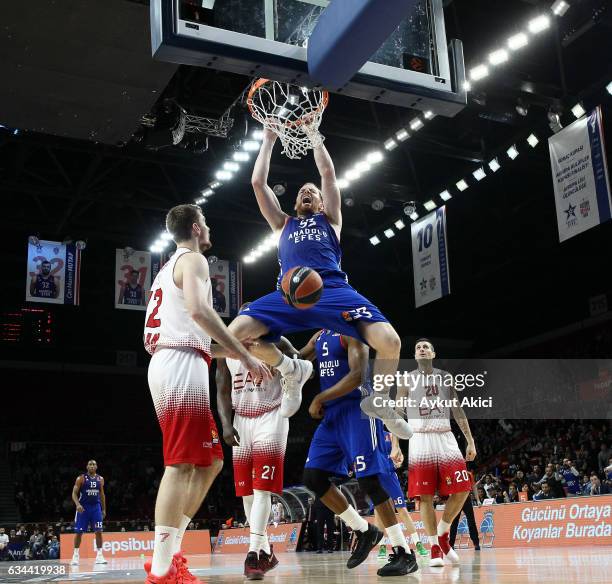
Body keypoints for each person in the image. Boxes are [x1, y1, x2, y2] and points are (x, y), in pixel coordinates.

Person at [226, 127, 411, 439]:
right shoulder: (282, 224)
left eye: (313, 191)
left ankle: (379, 401)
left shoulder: (331, 220)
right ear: (295, 203)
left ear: (324, 203)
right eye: (301, 192)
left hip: (334, 290)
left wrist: (314, 135)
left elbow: (327, 172)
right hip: (289, 294)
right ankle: (291, 370)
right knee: (232, 339)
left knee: (391, 342)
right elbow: (257, 183)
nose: (306, 192)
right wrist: (269, 139)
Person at [143, 204, 270, 584]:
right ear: (197, 229)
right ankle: (162, 569)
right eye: (207, 223)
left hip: (180, 360)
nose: (210, 227)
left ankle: (173, 550)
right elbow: (199, 313)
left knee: (211, 460)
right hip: (179, 366)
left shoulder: (168, 269)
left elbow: (192, 330)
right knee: (180, 464)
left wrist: (234, 350)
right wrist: (245, 355)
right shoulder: (194, 260)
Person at [300, 329, 418, 576]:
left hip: (358, 411)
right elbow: (297, 359)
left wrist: (319, 397)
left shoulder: (352, 331)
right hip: (332, 416)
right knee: (313, 477)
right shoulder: (319, 335)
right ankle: (364, 530)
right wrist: (268, 344)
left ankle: (404, 552)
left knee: (369, 480)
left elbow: (356, 376)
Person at [216, 330, 296, 580]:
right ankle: (265, 550)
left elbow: (298, 362)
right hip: (241, 419)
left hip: (271, 416)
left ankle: (253, 555)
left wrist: (285, 366)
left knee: (262, 489)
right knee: (247, 493)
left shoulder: (277, 341)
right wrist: (226, 425)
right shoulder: (225, 346)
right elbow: (222, 388)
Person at [403, 339, 477, 568]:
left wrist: (470, 440)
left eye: (426, 347)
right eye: (418, 348)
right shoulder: (406, 379)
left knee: (464, 487)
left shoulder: (445, 376)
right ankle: (434, 545)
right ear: (415, 356)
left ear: (433, 353)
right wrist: (395, 444)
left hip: (445, 436)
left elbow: (457, 408)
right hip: (420, 438)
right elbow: (396, 411)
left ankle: (444, 533)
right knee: (424, 496)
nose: (422, 349)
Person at [375, 432, 428, 560]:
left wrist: (400, 460)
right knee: (379, 512)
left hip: (391, 476)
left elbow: (399, 454)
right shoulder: (369, 435)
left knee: (403, 510)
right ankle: (382, 545)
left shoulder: (391, 435)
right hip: (376, 477)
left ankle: (418, 543)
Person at [70, 460, 107, 566]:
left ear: (96, 466)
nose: (92, 466)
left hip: (96, 508)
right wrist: (77, 504)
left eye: (94, 464)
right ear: (87, 467)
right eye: (90, 464)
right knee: (79, 532)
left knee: (99, 531)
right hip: (84, 509)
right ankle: (75, 556)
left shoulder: (100, 479)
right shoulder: (81, 478)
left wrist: (104, 509)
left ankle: (100, 556)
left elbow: (102, 495)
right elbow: (74, 493)